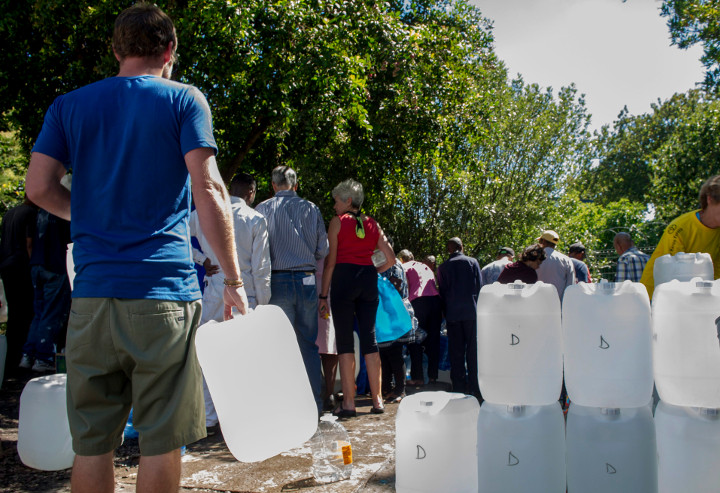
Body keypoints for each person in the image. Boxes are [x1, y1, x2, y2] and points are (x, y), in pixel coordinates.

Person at [24, 5, 249, 492]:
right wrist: (233, 280)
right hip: (162, 296)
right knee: (161, 440)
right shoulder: (184, 100)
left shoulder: (69, 105)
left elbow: (39, 188)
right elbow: (209, 189)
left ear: (117, 50)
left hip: (92, 298)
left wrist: (86, 215)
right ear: (170, 51)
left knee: (92, 443)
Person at [190, 172, 270, 430]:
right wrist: (263, 303)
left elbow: (178, 233)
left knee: (207, 353)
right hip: (244, 291)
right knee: (245, 357)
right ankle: (242, 415)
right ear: (251, 193)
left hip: (214, 287)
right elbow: (261, 268)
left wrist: (202, 258)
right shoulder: (255, 219)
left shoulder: (206, 214)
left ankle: (210, 417)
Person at [318, 179, 395, 417]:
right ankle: (378, 400)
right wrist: (373, 271)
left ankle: (349, 404)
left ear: (348, 201)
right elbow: (390, 258)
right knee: (370, 341)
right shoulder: (372, 223)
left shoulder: (337, 223)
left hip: (343, 281)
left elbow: (330, 263)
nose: (334, 206)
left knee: (344, 343)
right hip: (367, 281)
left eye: (336, 201)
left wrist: (323, 295)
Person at [256, 165, 329, 414]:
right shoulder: (311, 208)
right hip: (307, 280)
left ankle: (283, 409)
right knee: (308, 345)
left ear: (273, 185)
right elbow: (323, 249)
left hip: (276, 282)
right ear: (295, 185)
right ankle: (313, 407)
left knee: (279, 345)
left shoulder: (263, 209)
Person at [640, 175, 720, 298]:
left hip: (696, 296)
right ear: (709, 199)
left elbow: (716, 273)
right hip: (657, 295)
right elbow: (670, 273)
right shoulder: (679, 228)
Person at [19, 207, 72, 372]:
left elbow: (29, 242)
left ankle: (28, 355)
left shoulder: (37, 213)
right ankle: (43, 357)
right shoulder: (63, 212)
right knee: (52, 313)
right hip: (54, 265)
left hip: (37, 264)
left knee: (39, 313)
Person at [437, 237, 483, 399]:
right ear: (461, 247)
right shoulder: (472, 262)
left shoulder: (443, 267)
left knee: (456, 352)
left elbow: (442, 292)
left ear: (449, 249)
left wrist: (445, 311)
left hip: (453, 314)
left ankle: (459, 388)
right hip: (471, 312)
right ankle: (475, 388)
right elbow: (479, 287)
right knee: (473, 351)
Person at [0, 197, 37, 377]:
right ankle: (20, 359)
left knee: (14, 313)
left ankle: (9, 360)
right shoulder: (31, 213)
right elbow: (29, 243)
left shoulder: (9, 214)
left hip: (6, 265)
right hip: (21, 265)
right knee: (26, 313)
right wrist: (34, 268)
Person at [400, 250, 443, 386]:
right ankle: (432, 378)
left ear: (401, 259)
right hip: (436, 302)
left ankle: (417, 378)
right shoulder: (425, 267)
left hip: (418, 303)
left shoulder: (403, 267)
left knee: (415, 340)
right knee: (434, 340)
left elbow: (404, 289)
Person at [535, 230, 576, 302]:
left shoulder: (533, 258)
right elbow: (570, 285)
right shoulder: (566, 260)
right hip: (558, 304)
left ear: (543, 241)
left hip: (536, 302)